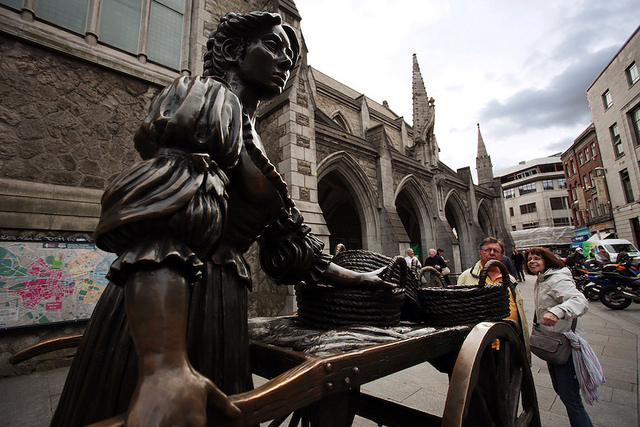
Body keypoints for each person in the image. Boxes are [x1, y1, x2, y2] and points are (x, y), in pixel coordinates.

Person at [52, 12, 389, 427]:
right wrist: (163, 366)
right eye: (273, 46)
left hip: (221, 302)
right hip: (172, 306)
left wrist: (364, 278)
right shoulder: (205, 97)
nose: (286, 61)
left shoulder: (252, 134)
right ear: (233, 51)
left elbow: (296, 249)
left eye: (291, 55)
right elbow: (161, 223)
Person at [524, 247, 593, 427]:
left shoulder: (557, 279)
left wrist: (558, 311)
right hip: (553, 344)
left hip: (565, 345)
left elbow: (579, 301)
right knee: (564, 393)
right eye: (530, 259)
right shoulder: (543, 279)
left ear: (547, 260)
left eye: (537, 258)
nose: (532, 261)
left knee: (571, 398)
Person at [458, 237, 530, 358]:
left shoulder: (510, 279)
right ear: (480, 252)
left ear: (501, 255)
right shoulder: (466, 276)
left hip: (509, 341)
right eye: (488, 250)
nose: (492, 253)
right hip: (480, 345)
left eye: (496, 251)